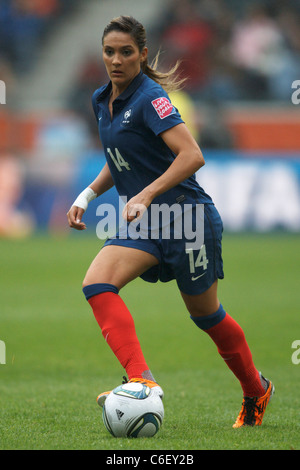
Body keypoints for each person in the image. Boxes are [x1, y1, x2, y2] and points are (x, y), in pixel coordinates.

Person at [67, 16, 274, 428]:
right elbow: (120, 158)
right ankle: (142, 379)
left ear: (142, 55)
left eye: (126, 52)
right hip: (145, 223)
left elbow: (192, 155)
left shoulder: (152, 98)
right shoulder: (100, 99)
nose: (116, 60)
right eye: (109, 52)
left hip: (187, 220)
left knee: (206, 316)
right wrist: (87, 195)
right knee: (96, 283)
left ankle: (256, 390)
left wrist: (145, 193)